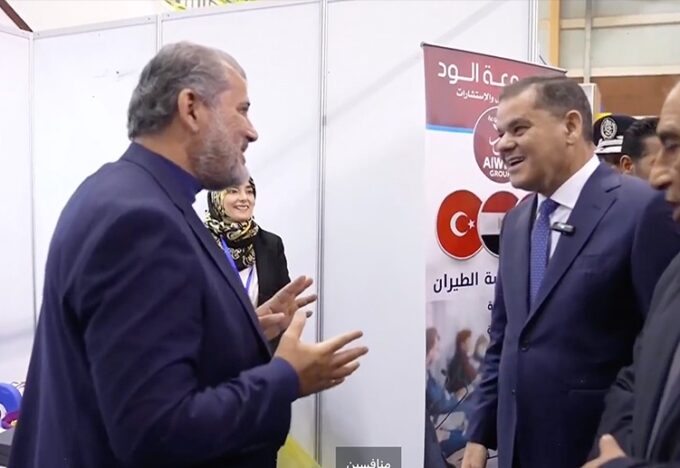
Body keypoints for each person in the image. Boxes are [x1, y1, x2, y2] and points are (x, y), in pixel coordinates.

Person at [9, 42, 368, 468]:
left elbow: (130, 356)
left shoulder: (122, 192)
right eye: (242, 110)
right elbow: (156, 432)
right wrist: (286, 377)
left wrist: (240, 329)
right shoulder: (140, 221)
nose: (252, 132)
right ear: (191, 108)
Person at [461, 76, 680, 468]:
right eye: (499, 133)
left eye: (518, 129)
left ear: (571, 126)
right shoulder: (516, 222)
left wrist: (619, 454)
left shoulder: (643, 209)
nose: (502, 144)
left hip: (595, 452)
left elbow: (659, 352)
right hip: (516, 451)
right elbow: (506, 338)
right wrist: (480, 435)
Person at [585, 82, 680, 468]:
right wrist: (616, 449)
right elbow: (635, 379)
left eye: (674, 147)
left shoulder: (651, 218)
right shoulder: (675, 276)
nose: (657, 177)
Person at [205, 178, 291, 309]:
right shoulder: (198, 242)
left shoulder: (271, 245)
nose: (244, 198)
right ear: (216, 197)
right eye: (233, 191)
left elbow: (285, 300)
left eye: (249, 191)